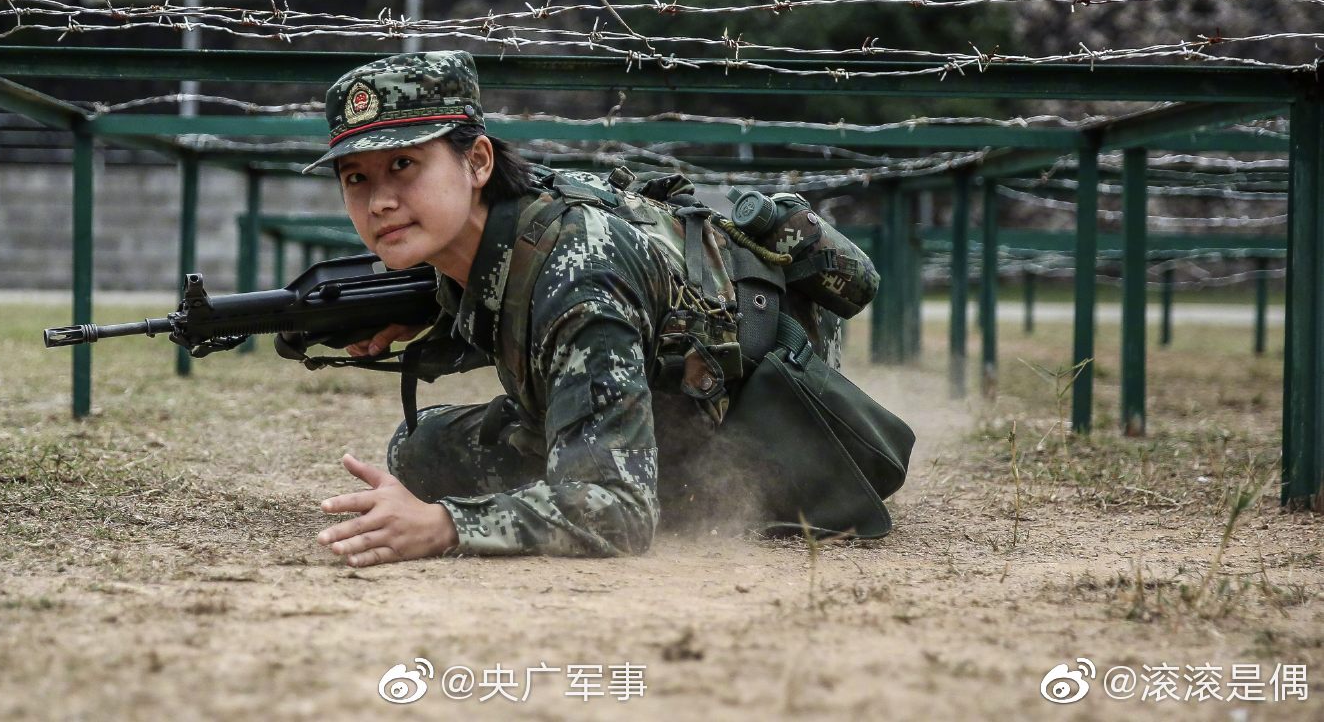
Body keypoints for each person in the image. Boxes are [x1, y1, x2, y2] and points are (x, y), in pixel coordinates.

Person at [306, 50, 908, 568]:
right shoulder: (508, 220)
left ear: (478, 161)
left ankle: (670, 485)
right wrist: (436, 315)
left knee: (595, 494)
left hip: (758, 419)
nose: (380, 201)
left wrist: (445, 526)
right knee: (419, 449)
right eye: (355, 178)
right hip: (673, 386)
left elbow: (618, 513)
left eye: (404, 165)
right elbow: (516, 310)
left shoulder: (578, 273)